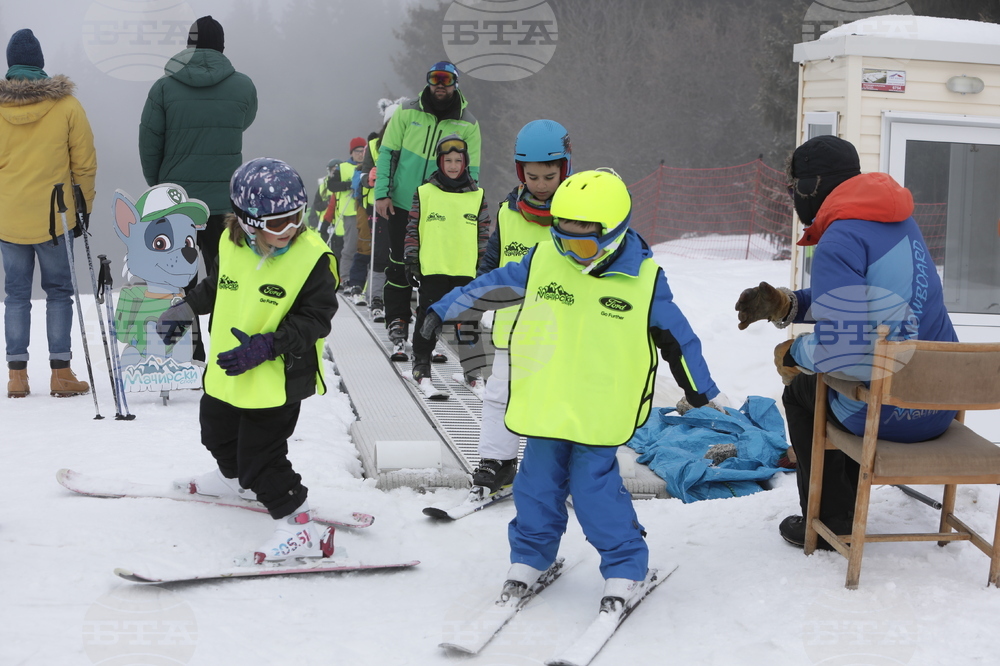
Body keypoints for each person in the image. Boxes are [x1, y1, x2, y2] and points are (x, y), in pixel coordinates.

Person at [422, 169, 722, 607]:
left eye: (583, 241)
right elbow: (493, 285)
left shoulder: (644, 279)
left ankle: (625, 566)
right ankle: (530, 557)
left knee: (592, 490)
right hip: (547, 399)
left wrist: (699, 389)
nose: (571, 252)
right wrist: (444, 309)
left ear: (614, 231)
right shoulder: (545, 260)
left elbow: (679, 339)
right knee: (535, 486)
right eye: (562, 236)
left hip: (600, 408)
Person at [734, 135, 958, 549]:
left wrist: (796, 352)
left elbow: (846, 354)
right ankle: (847, 498)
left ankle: (830, 519)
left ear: (810, 187)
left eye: (794, 186)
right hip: (941, 405)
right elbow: (875, 305)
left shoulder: (840, 239)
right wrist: (791, 306)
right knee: (842, 381)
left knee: (806, 390)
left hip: (889, 415)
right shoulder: (900, 222)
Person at [156, 158, 340, 564]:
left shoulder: (312, 259)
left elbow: (316, 318)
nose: (290, 229)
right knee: (216, 433)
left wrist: (267, 346)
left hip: (276, 376)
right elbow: (218, 286)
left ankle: (299, 525)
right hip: (229, 368)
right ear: (248, 221)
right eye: (277, 224)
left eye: (296, 218)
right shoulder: (229, 242)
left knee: (262, 457)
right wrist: (187, 308)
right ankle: (233, 480)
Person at [139, 15, 257, 361]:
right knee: (226, 275)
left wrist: (160, 188)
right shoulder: (243, 86)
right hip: (225, 204)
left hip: (179, 204)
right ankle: (223, 345)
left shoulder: (164, 87)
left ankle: (189, 353)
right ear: (222, 46)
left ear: (188, 46)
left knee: (178, 277)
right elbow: (243, 121)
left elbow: (149, 142)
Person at [468, 119, 572, 495]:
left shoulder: (576, 217)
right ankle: (497, 461)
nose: (541, 185)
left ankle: (558, 465)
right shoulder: (507, 213)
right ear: (520, 172)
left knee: (555, 397)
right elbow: (490, 263)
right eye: (533, 176)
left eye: (549, 176)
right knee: (498, 395)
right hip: (511, 331)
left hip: (558, 331)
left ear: (565, 169)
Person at [1, 28, 96, 398]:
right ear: (40, 64)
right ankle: (61, 374)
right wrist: (81, 210)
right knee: (59, 292)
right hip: (55, 218)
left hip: (8, 217)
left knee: (16, 295)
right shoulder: (67, 106)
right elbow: (84, 164)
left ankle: (17, 376)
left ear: (11, 65)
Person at [374, 62, 481, 358]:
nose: (440, 85)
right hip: (403, 203)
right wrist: (382, 192)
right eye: (435, 79)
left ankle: (431, 325)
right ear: (428, 82)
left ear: (456, 84)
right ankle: (398, 320)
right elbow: (387, 153)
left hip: (442, 208)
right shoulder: (408, 112)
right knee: (399, 262)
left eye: (446, 80)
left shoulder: (468, 123)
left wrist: (469, 211)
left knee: (435, 270)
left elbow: (472, 172)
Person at [404, 135, 490, 389]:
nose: (453, 166)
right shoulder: (425, 192)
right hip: (434, 268)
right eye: (448, 160)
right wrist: (410, 258)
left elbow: (483, 234)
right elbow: (412, 228)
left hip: (465, 270)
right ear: (440, 162)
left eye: (458, 160)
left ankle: (472, 368)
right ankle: (421, 361)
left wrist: (483, 267)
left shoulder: (477, 195)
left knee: (468, 319)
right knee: (427, 317)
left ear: (465, 163)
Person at [321, 137, 366, 287]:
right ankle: (345, 277)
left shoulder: (369, 166)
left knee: (365, 247)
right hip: (350, 212)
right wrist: (349, 185)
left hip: (366, 211)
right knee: (350, 247)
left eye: (363, 151)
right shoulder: (343, 167)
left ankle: (361, 280)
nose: (360, 154)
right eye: (357, 151)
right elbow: (332, 185)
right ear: (351, 152)